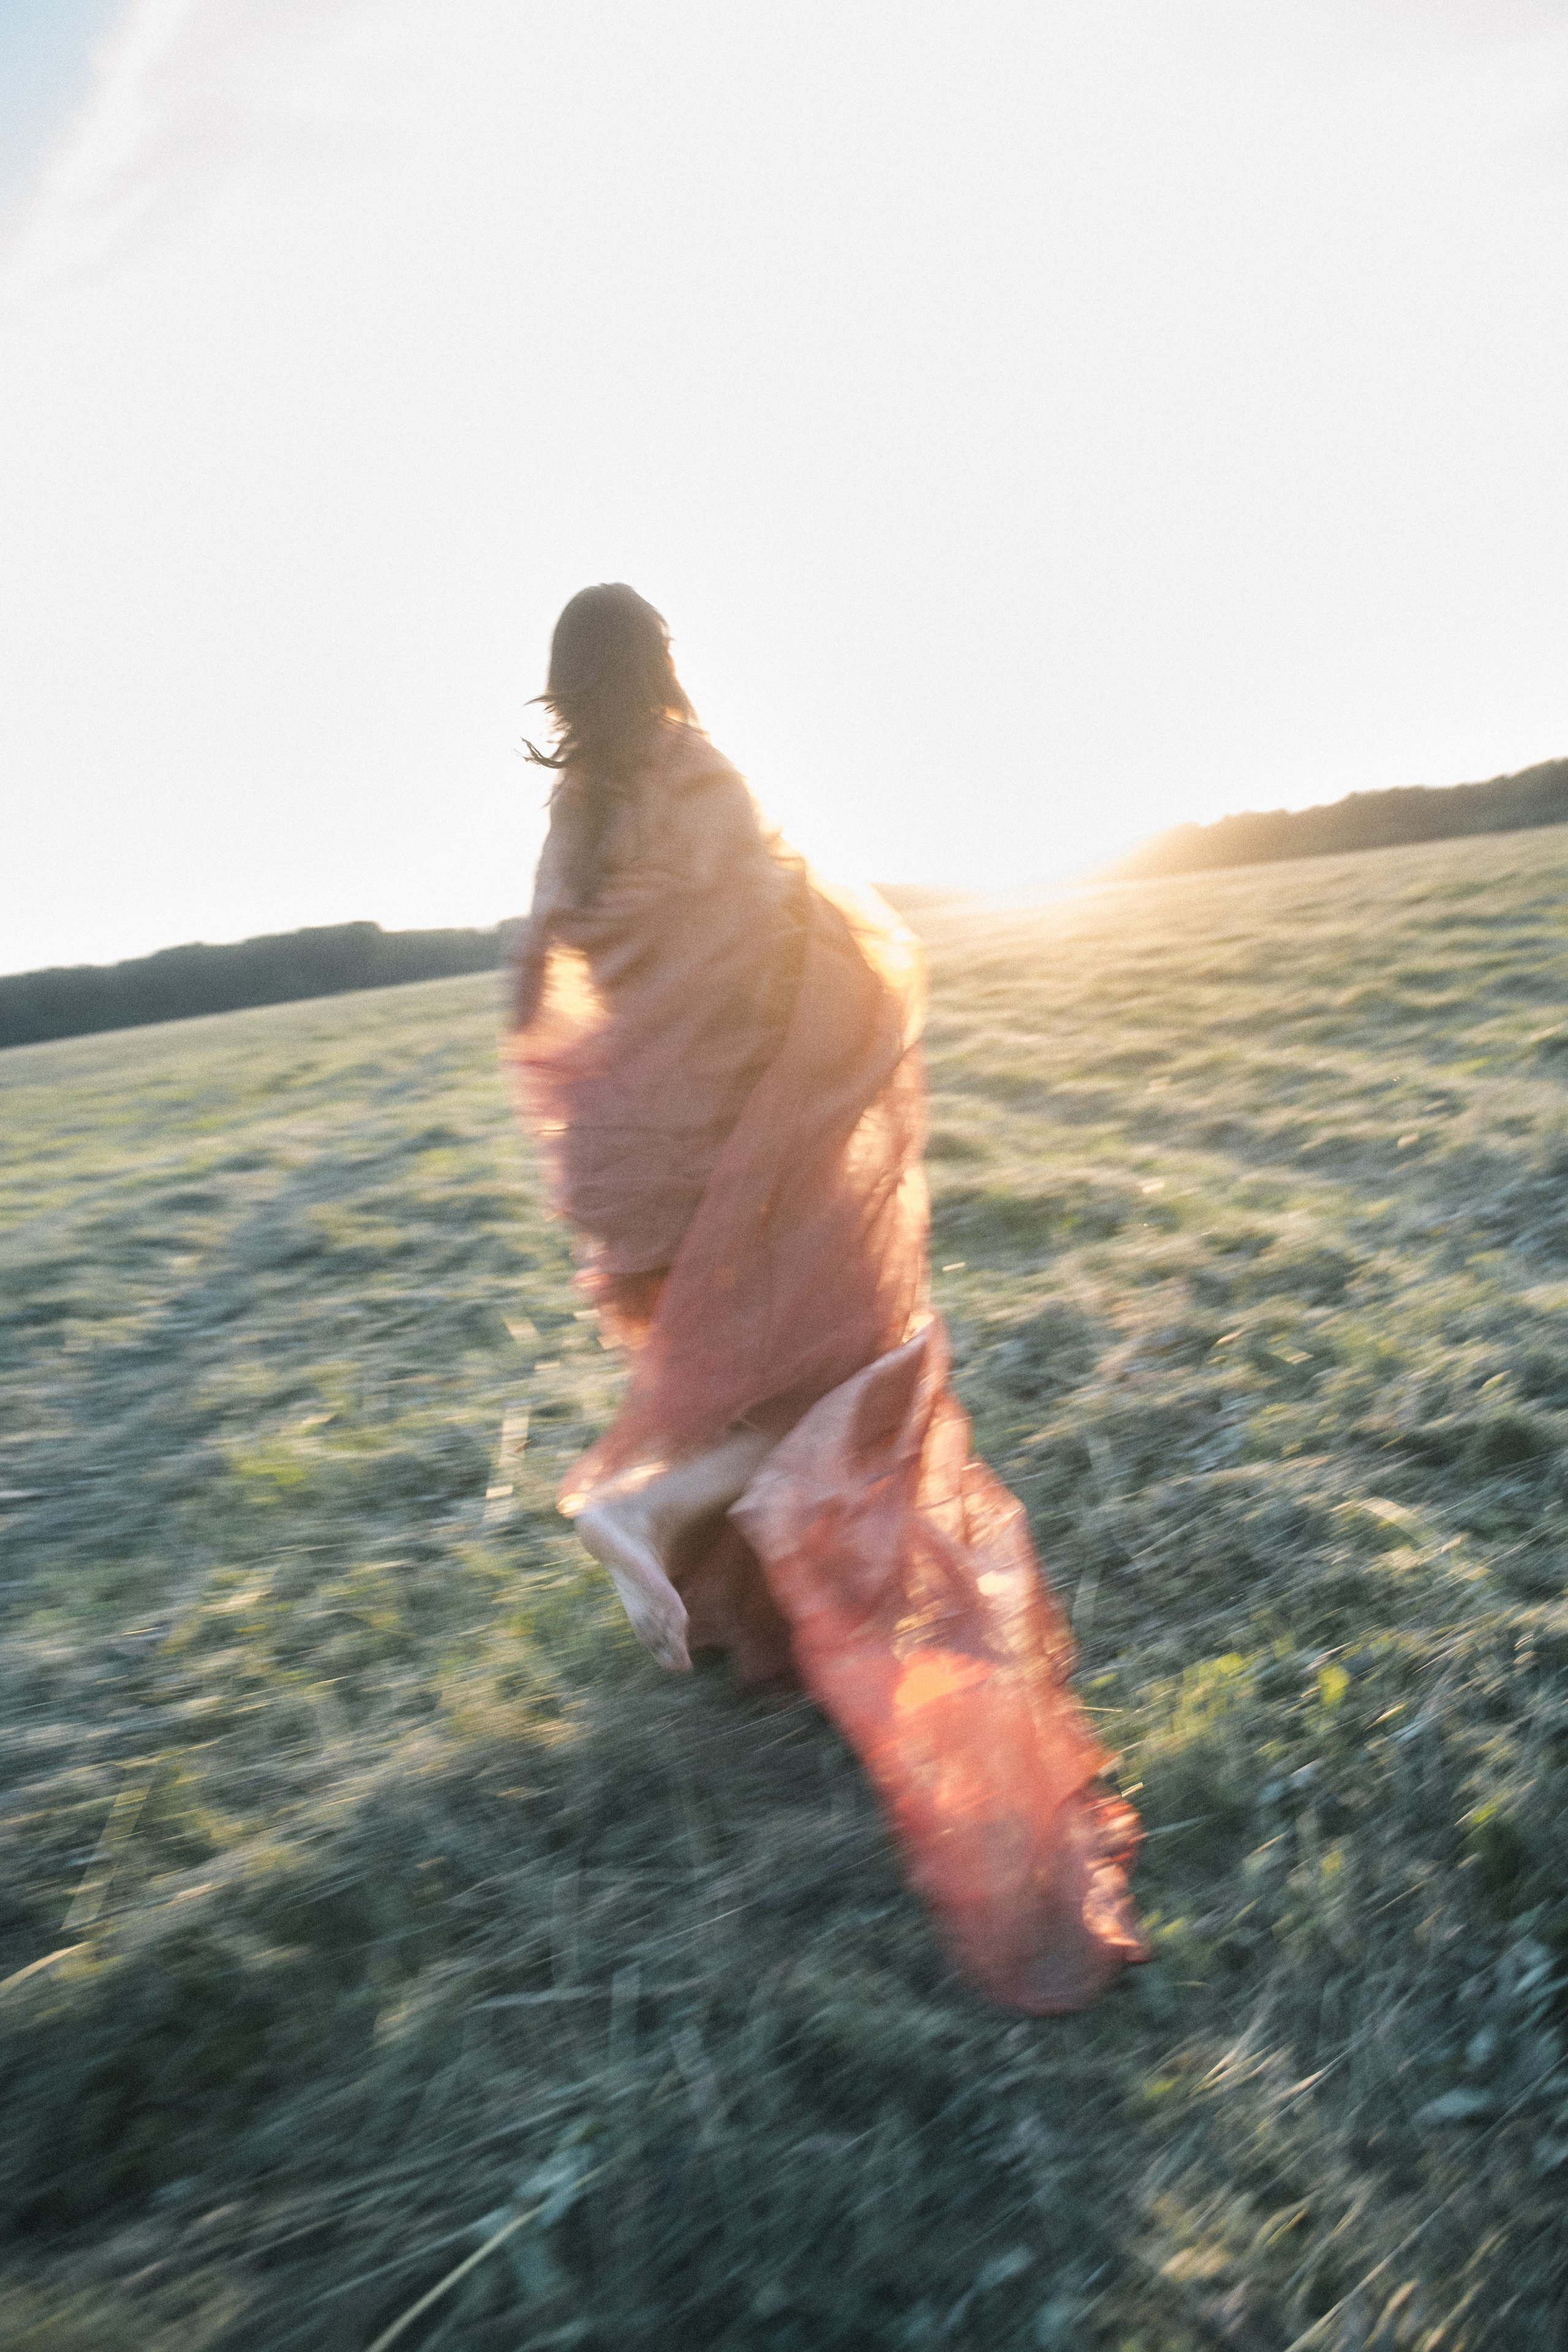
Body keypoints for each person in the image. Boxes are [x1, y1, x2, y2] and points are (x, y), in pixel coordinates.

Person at [503, 584, 1147, 2012]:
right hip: (741, 1151)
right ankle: (641, 1512)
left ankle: (758, 1629)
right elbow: (789, 938)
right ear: (663, 664)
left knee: (740, 1382)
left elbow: (533, 981)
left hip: (632, 1178)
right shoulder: (697, 776)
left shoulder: (579, 817)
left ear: (562, 693)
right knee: (847, 1385)